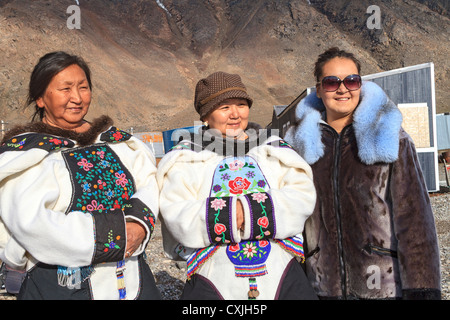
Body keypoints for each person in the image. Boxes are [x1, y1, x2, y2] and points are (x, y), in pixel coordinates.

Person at [0, 51, 160, 300]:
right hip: (58, 283)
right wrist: (116, 235)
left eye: (83, 87)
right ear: (40, 99)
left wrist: (139, 224)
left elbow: (150, 183)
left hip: (131, 277)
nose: (77, 98)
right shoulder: (26, 154)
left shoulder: (119, 143)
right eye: (65, 89)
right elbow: (30, 223)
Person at [284, 47, 441, 300]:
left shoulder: (390, 137)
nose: (343, 88)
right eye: (332, 82)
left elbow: (415, 221)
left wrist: (422, 290)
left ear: (361, 84)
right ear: (320, 88)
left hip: (382, 289)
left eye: (351, 80)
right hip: (320, 288)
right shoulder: (297, 145)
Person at [157, 71, 318, 300]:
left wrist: (248, 211)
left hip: (282, 271)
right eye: (224, 107)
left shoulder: (274, 149)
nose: (235, 114)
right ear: (205, 115)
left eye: (241, 104)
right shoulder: (186, 158)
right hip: (214, 274)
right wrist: (233, 214)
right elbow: (175, 211)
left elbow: (302, 196)